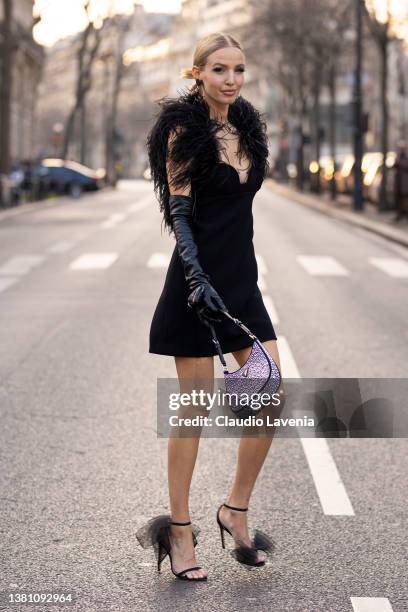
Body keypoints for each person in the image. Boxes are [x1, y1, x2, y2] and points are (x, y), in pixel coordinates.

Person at [137, 32, 283, 581]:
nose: (231, 79)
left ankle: (234, 509)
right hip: (199, 288)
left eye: (239, 69)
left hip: (242, 283)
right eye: (219, 69)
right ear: (197, 73)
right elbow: (179, 213)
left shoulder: (247, 126)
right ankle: (180, 531)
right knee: (193, 411)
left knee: (268, 397)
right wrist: (197, 278)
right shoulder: (183, 131)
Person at [394, 141, 408, 221]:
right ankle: (399, 215)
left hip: (405, 183)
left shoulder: (406, 157)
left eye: (402, 148)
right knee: (398, 200)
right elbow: (395, 165)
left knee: (405, 200)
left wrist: (399, 163)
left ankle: (405, 214)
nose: (401, 150)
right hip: (398, 183)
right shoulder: (398, 156)